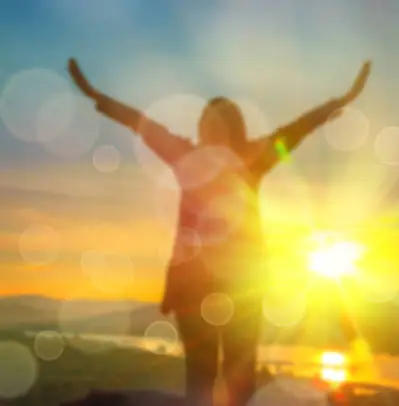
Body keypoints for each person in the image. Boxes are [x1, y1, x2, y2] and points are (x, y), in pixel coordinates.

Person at [67, 57, 371, 406]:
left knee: (240, 376)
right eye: (206, 121)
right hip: (193, 289)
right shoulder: (183, 155)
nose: (211, 128)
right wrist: (96, 96)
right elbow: (143, 125)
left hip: (243, 289)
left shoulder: (254, 160)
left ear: (234, 128)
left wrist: (342, 101)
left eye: (219, 122)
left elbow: (296, 130)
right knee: (200, 374)